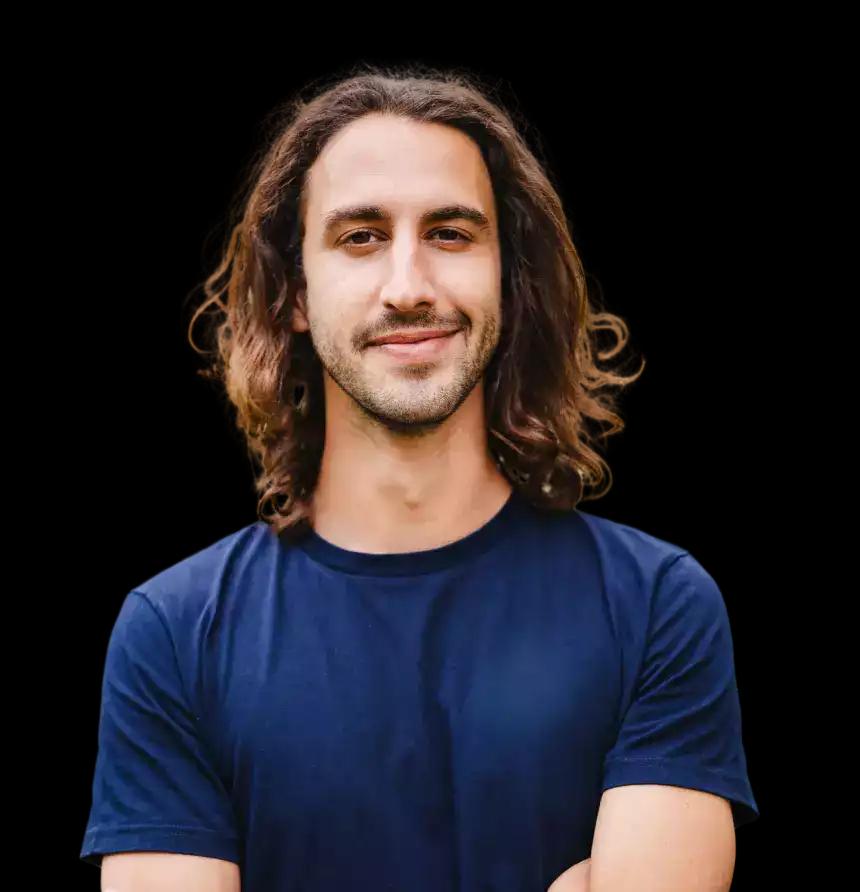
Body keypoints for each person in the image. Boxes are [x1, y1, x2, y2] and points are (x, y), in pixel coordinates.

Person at [79, 64, 759, 892]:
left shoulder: (657, 607)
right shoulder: (175, 634)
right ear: (295, 293)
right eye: (361, 237)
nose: (408, 288)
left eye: (450, 234)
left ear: (509, 278)